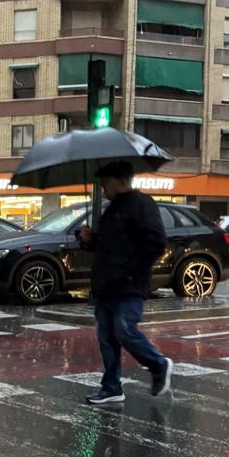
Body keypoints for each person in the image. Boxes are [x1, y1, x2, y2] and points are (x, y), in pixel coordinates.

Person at [77, 161, 173, 404]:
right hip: (107, 284)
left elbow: (156, 242)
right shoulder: (112, 210)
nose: (102, 188)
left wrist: (133, 271)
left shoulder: (142, 204)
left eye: (105, 182)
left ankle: (159, 365)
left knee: (125, 330)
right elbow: (109, 247)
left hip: (128, 284)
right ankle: (111, 387)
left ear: (121, 181)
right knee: (107, 338)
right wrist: (89, 240)